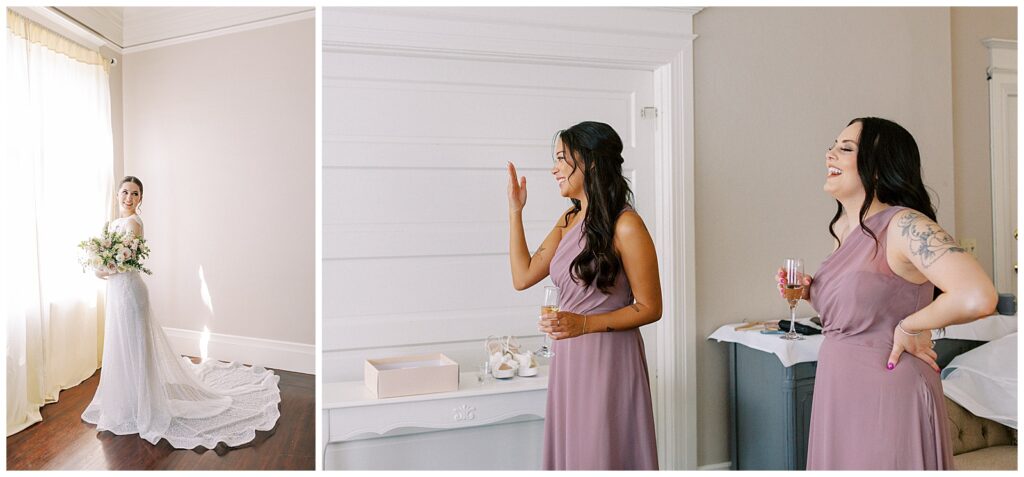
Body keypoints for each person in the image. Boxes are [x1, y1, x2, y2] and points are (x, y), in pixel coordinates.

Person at [776, 118, 997, 470]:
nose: (830, 153)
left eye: (846, 148)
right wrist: (810, 292)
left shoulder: (904, 224)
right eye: (833, 144)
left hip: (888, 391)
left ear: (879, 168)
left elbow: (978, 296)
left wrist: (911, 326)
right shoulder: (843, 229)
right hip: (839, 389)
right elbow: (869, 303)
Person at [83, 176, 281, 449]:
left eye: (135, 194)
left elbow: (125, 264)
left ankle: (143, 408)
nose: (129, 198)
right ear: (117, 194)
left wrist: (102, 269)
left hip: (130, 293)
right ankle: (125, 404)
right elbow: (109, 261)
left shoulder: (133, 224)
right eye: (125, 192)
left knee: (135, 349)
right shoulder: (113, 225)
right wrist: (98, 265)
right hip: (116, 293)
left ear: (141, 199)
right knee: (120, 346)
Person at [506, 121, 661, 470]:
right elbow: (523, 275)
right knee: (574, 454)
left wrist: (585, 324)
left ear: (589, 162)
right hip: (569, 358)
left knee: (601, 453)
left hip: (609, 360)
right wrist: (516, 211)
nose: (554, 168)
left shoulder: (626, 225)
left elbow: (651, 308)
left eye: (562, 158)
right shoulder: (569, 219)